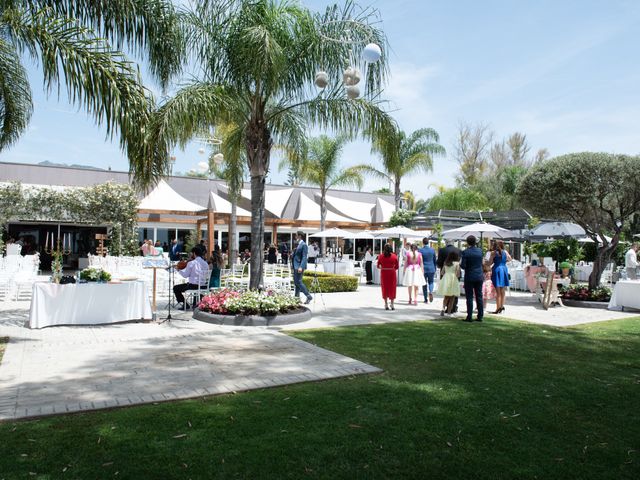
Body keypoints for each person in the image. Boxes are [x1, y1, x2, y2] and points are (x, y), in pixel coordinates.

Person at [460, 235, 484, 322]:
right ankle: (480, 316)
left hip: (469, 276)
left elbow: (463, 265)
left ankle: (469, 316)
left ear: (467, 242)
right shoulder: (480, 251)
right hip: (479, 275)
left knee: (469, 297)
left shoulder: (465, 252)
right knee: (479, 296)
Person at [437, 240, 462, 311]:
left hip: (446, 276)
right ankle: (453, 308)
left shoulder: (442, 250)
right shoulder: (459, 250)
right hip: (454, 277)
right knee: (454, 294)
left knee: (446, 294)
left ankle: (444, 308)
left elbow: (439, 262)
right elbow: (458, 271)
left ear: (446, 243)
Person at [489, 240, 512, 314]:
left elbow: (490, 263)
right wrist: (504, 261)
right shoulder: (505, 252)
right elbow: (510, 259)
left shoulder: (493, 253)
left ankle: (498, 308)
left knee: (497, 291)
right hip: (504, 269)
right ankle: (502, 307)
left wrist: (484, 262)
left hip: (497, 269)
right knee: (503, 291)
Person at [292, 231, 313, 304]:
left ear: (300, 236)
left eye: (296, 235)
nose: (295, 236)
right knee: (296, 282)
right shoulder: (298, 244)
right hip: (295, 265)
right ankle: (296, 298)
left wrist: (301, 266)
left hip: (299, 266)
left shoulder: (304, 245)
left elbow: (304, 257)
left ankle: (308, 296)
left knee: (299, 282)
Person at [377, 243, 398, 310]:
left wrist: (383, 267)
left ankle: (386, 304)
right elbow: (397, 267)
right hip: (392, 273)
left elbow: (378, 266)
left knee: (385, 288)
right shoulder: (394, 256)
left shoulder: (381, 256)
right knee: (392, 288)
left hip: (384, 273)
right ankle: (392, 304)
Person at [419, 237, 437, 303]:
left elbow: (419, 261)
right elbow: (435, 260)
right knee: (431, 282)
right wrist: (434, 268)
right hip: (431, 268)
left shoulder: (420, 250)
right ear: (428, 242)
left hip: (423, 269)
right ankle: (431, 292)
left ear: (423, 242)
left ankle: (425, 299)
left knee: (424, 283)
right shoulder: (432, 250)